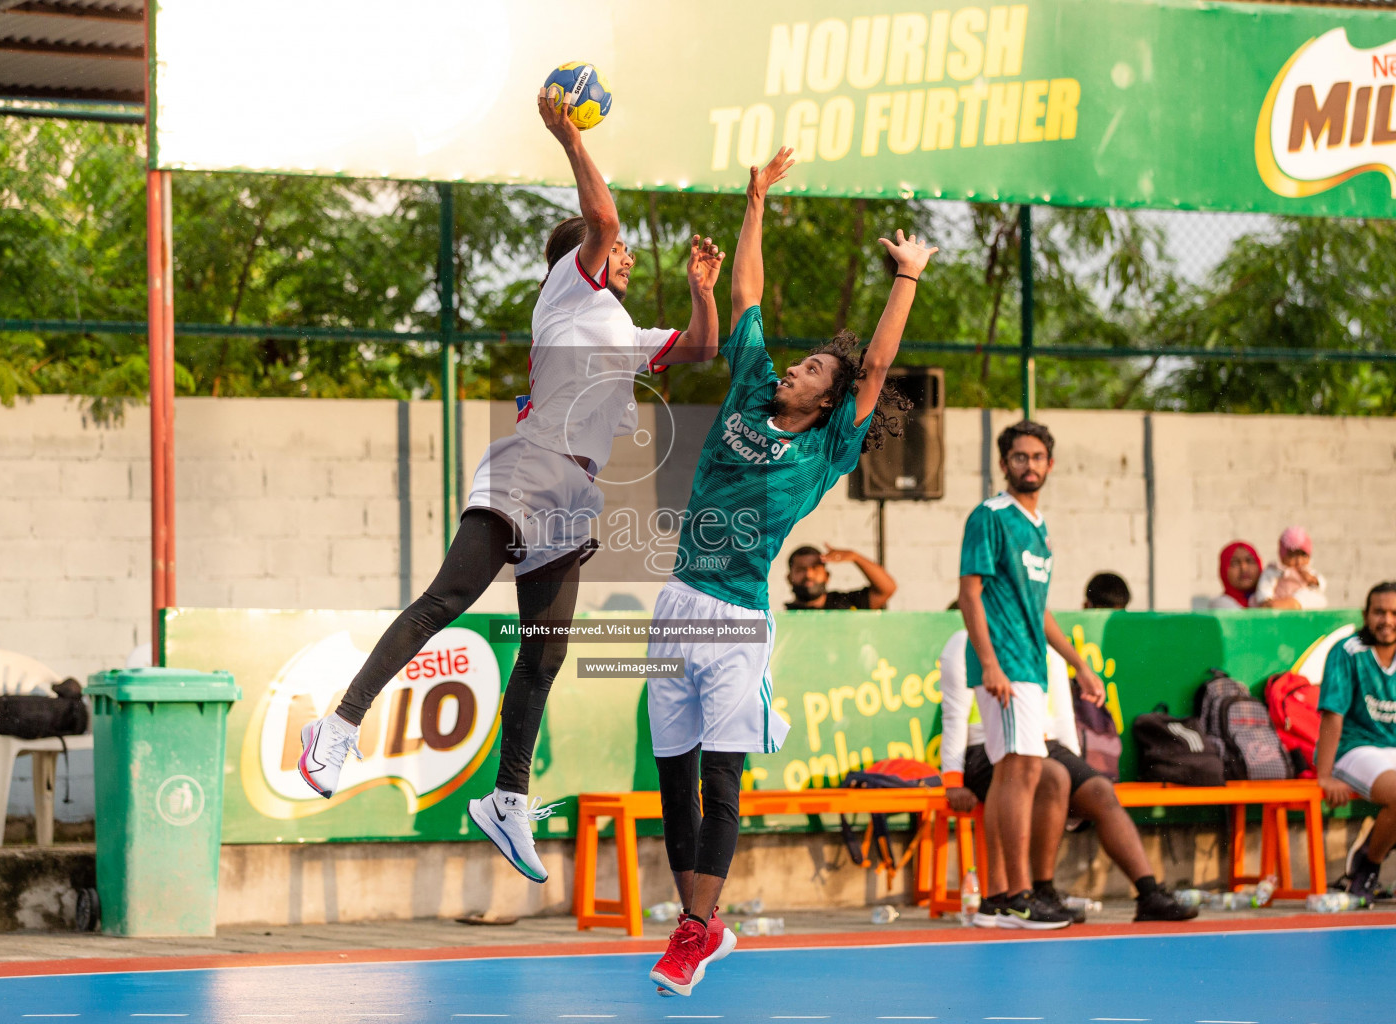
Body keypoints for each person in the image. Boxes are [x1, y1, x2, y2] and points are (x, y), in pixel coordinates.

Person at [297, 88, 727, 884]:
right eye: (617, 250)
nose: (625, 254)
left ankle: (507, 798)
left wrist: (704, 286)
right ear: (579, 260)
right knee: (445, 600)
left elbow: (704, 349)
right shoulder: (569, 287)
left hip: (576, 493)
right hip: (531, 465)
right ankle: (339, 723)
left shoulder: (622, 334)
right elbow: (600, 222)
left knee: (545, 651)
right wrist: (568, 138)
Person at [643, 147, 935, 996]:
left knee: (721, 776)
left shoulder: (824, 449)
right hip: (675, 601)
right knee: (673, 776)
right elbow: (747, 294)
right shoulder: (748, 389)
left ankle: (696, 930)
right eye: (798, 361)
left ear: (824, 402)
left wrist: (906, 278)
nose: (796, 366)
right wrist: (756, 200)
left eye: (811, 369)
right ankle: (697, 921)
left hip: (736, 620)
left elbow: (874, 368)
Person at [939, 573, 1196, 925]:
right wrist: (953, 779)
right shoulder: (964, 644)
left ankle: (1149, 893)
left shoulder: (1048, 649)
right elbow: (954, 718)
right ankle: (1037, 890)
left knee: (1098, 789)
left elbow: (1062, 718)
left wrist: (1081, 774)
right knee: (1054, 775)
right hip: (986, 748)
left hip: (1045, 746)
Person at [955, 421, 1107, 929]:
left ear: (1050, 464)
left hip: (1032, 667)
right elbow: (969, 593)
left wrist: (1080, 664)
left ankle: (1000, 898)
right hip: (1006, 668)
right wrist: (991, 662)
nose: (1029, 465)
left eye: (1038, 456)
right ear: (1004, 464)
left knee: (1013, 773)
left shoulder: (1039, 530)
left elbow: (1039, 612)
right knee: (1020, 772)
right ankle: (1018, 895)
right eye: (1019, 456)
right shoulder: (990, 516)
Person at [1316, 581, 1396, 903]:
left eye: (1394, 613)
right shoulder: (1347, 651)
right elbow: (1332, 717)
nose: (1387, 620)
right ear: (1366, 615)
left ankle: (1368, 851)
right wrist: (1324, 775)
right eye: (1379, 612)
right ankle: (1367, 866)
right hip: (1354, 748)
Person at [785, 544, 898, 609]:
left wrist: (855, 557)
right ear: (789, 578)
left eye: (815, 568)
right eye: (801, 569)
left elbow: (887, 589)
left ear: (827, 576)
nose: (809, 574)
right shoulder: (779, 619)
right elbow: (766, 644)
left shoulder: (847, 603)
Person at [1255, 526, 1328, 610]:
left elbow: (1321, 584)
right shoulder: (1276, 570)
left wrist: (1312, 580)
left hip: (1299, 608)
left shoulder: (1308, 571)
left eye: (1303, 555)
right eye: (1292, 556)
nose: (1299, 561)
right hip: (1278, 604)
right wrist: (1266, 599)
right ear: (1282, 557)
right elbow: (1265, 585)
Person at [1209, 541, 1262, 609]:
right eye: (1235, 563)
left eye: (1249, 561)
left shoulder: (1272, 600)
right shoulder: (1220, 605)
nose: (1244, 568)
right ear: (1224, 570)